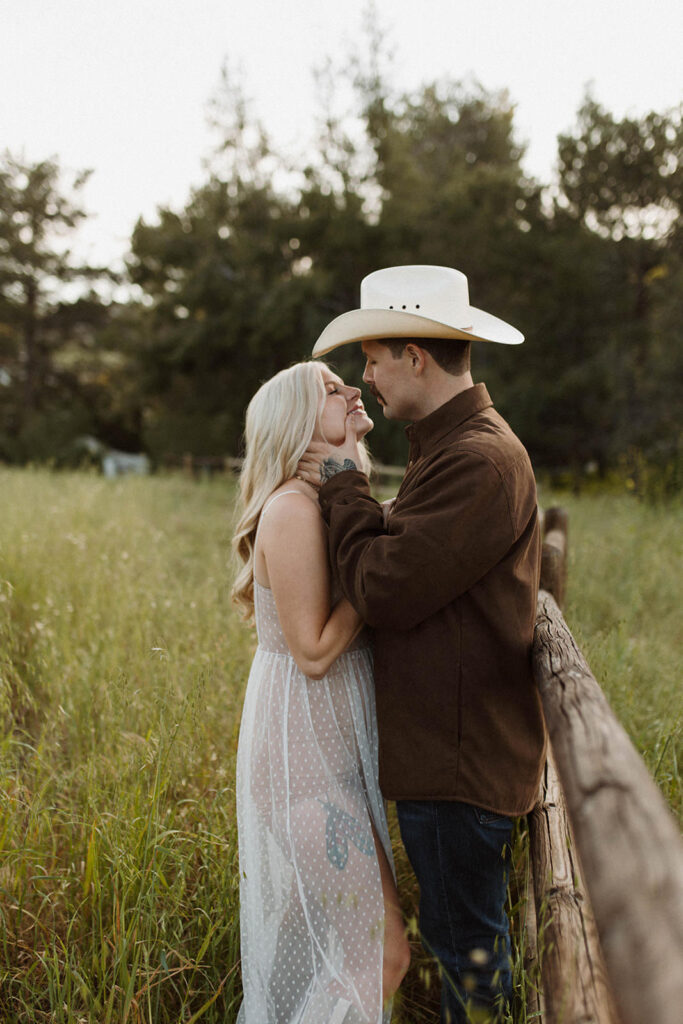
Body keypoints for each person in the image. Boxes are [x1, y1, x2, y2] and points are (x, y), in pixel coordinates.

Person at [296, 265, 547, 1023]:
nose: (366, 378)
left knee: (467, 959)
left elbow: (381, 587)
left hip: (456, 763)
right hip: (451, 755)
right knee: (461, 947)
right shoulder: (452, 448)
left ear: (417, 356)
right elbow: (400, 563)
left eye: (374, 359)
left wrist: (341, 484)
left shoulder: (475, 458)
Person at [232, 361, 410, 1024]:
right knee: (381, 957)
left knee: (365, 955)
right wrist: (384, 571)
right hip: (303, 771)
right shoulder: (291, 511)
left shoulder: (324, 502)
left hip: (323, 760)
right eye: (332, 390)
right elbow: (312, 652)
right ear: (300, 429)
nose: (353, 389)